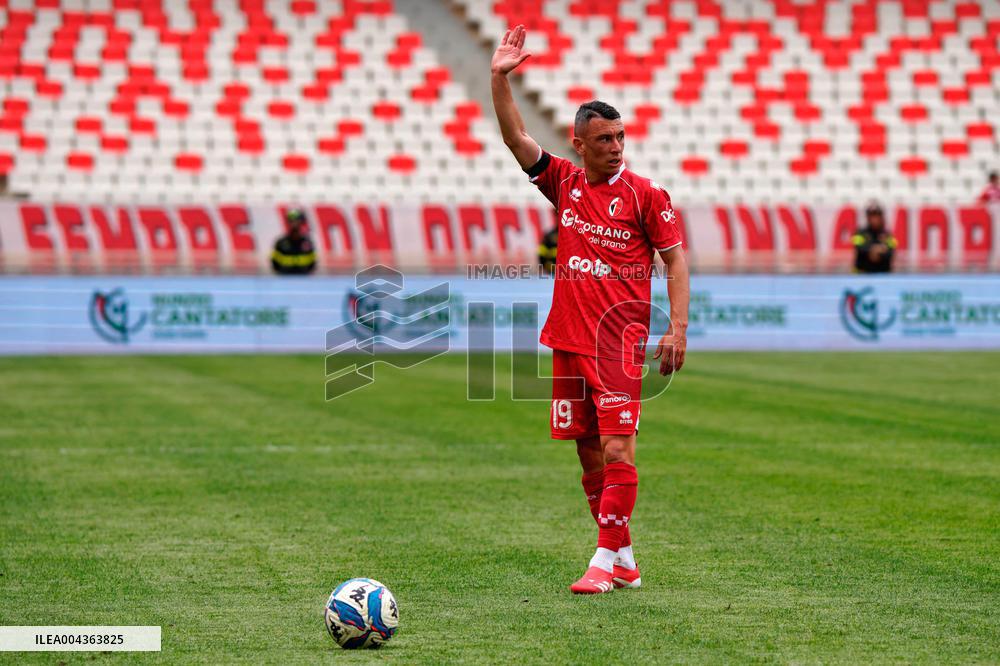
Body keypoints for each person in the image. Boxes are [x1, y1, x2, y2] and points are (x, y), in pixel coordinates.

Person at [491, 24, 690, 595]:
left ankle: (602, 561)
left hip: (618, 342)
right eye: (604, 139)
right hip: (568, 340)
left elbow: (676, 264)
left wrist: (676, 330)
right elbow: (515, 138)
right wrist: (498, 77)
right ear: (580, 143)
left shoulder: (647, 196)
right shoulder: (565, 184)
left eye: (621, 136)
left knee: (617, 447)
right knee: (585, 449)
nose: (616, 147)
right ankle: (624, 556)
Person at [852, 203, 896, 273]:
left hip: (883, 275)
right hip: (862, 275)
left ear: (881, 217)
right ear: (867, 217)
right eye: (872, 216)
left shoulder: (888, 235)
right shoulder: (860, 233)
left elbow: (891, 251)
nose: (874, 219)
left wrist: (877, 251)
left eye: (877, 216)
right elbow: (859, 248)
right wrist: (875, 249)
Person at [271, 208, 317, 274]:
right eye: (292, 220)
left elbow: (312, 263)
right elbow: (275, 263)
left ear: (301, 222)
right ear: (288, 222)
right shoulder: (281, 243)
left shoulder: (307, 243)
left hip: (304, 279)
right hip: (284, 279)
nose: (294, 223)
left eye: (297, 220)